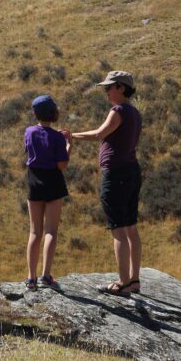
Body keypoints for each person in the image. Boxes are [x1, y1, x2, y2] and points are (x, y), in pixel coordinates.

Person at [65, 71, 142, 296]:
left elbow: (99, 134)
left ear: (120, 87)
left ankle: (123, 282)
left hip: (115, 173)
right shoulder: (135, 112)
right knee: (131, 227)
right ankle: (134, 280)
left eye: (109, 87)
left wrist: (72, 136)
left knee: (118, 228)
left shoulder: (117, 111)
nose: (106, 91)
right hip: (131, 171)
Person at [23, 95, 71, 292]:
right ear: (54, 113)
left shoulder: (29, 132)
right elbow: (62, 164)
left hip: (34, 180)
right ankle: (46, 275)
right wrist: (68, 144)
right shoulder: (58, 138)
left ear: (35, 113)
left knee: (35, 231)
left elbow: (28, 151)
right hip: (53, 181)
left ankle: (30, 278)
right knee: (51, 230)